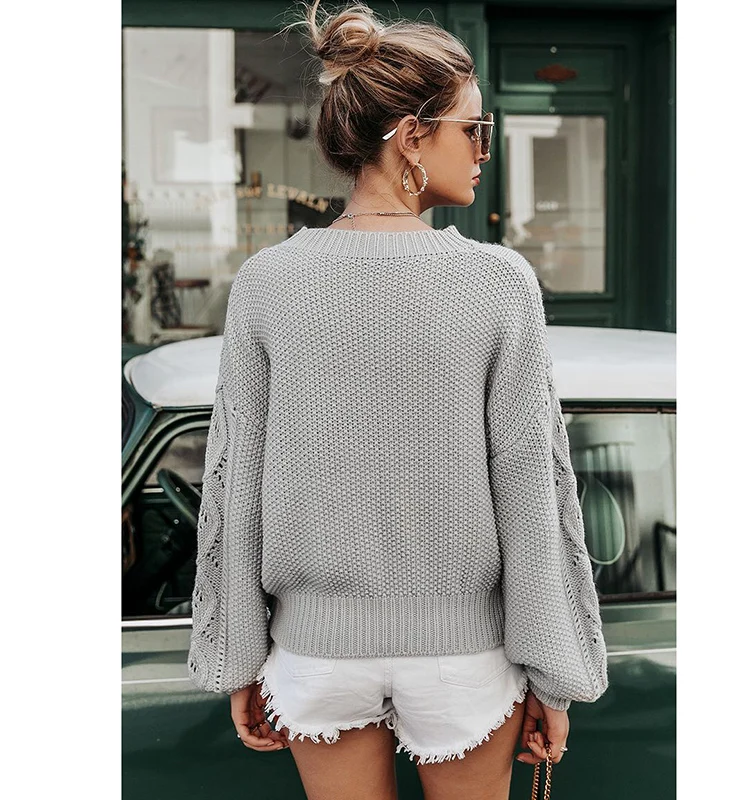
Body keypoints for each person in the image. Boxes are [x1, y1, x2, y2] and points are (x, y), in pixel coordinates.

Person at [187, 1, 609, 798]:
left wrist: (236, 657)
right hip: (464, 657)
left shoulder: (267, 282)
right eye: (473, 130)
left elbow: (236, 483)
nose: (481, 151)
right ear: (412, 135)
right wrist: (553, 675)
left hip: (315, 654)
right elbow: (529, 488)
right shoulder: (498, 282)